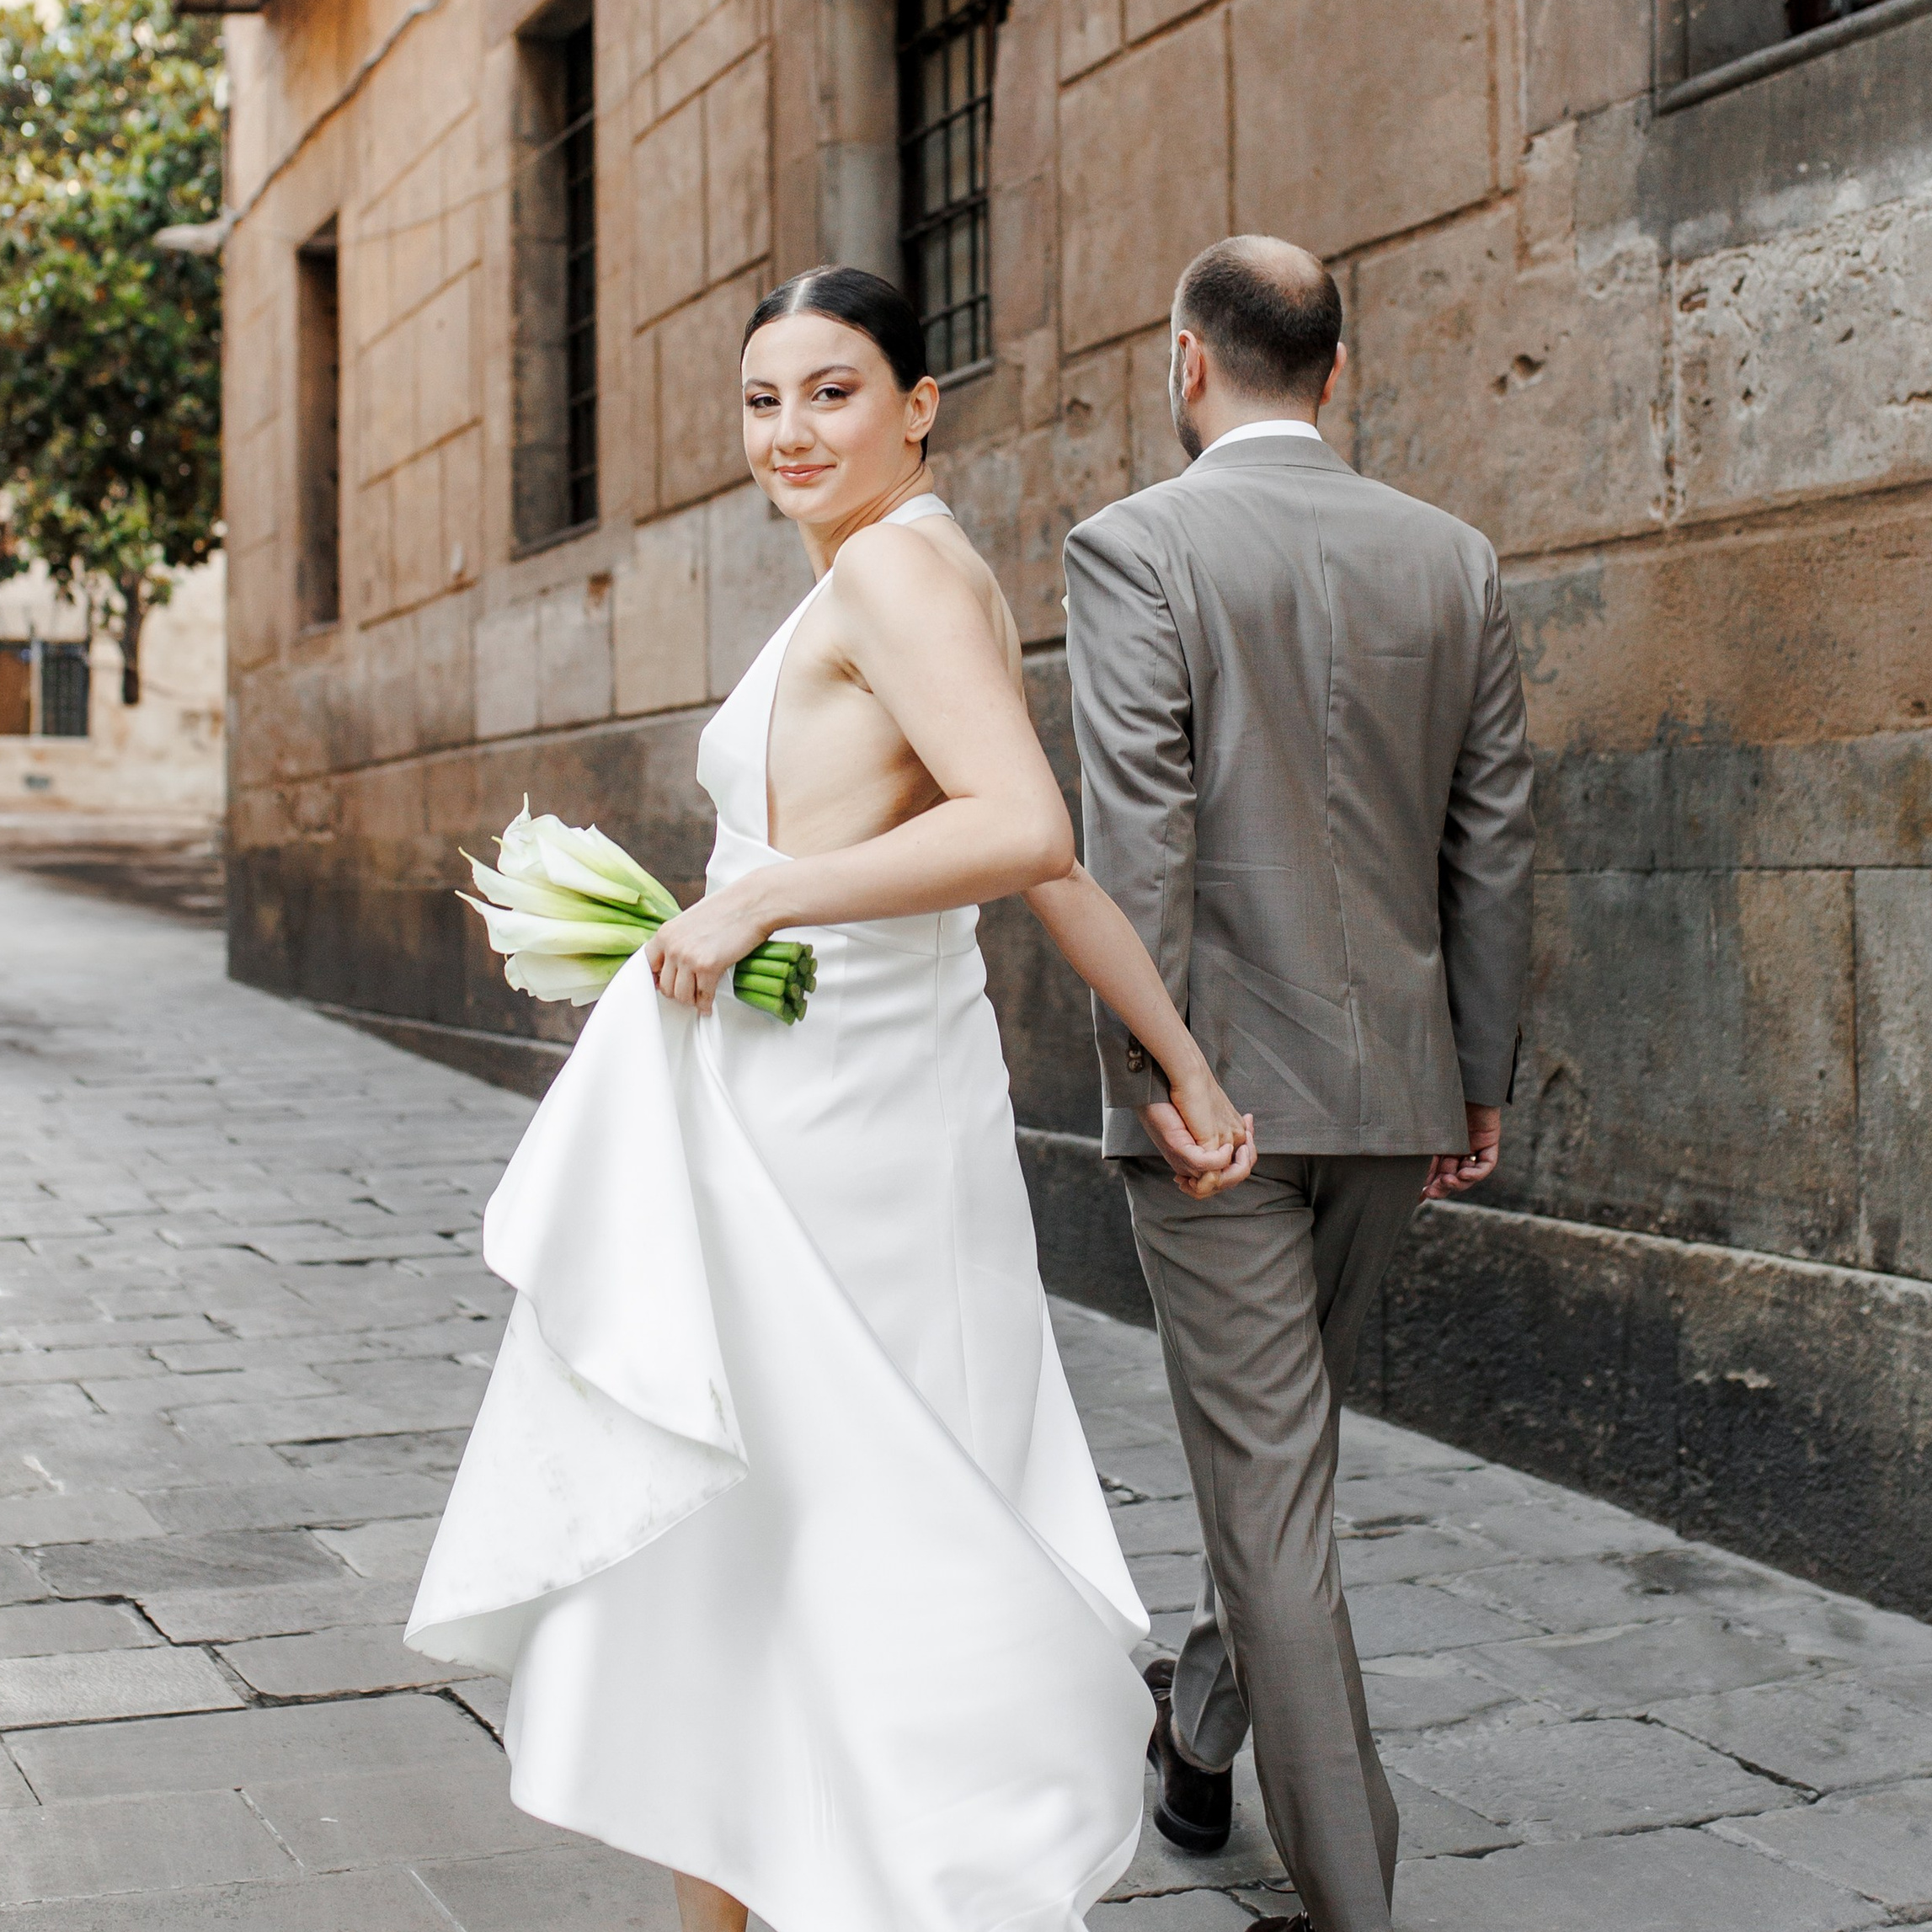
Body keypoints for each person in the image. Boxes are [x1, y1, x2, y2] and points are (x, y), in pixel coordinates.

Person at [405, 265, 1257, 1932]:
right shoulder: (902, 565)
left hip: (837, 1131)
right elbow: (1028, 839)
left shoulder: (889, 571)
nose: (788, 431)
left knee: (830, 1514)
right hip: (810, 1099)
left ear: (920, 404)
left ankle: (917, 1865)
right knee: (759, 1534)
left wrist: (754, 900)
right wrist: (1184, 1052)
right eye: (761, 399)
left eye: (833, 391)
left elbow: (1023, 826)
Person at [1063, 237, 1535, 1932]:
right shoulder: (1454, 561)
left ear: (1186, 362)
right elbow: (1490, 842)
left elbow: (1136, 837)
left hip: (1217, 1106)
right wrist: (1475, 1075)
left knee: (1272, 1482)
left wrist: (1163, 1075)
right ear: (1335, 372)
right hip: (1392, 1088)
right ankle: (1201, 1726)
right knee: (1283, 1458)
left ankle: (1353, 1903)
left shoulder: (1134, 547)